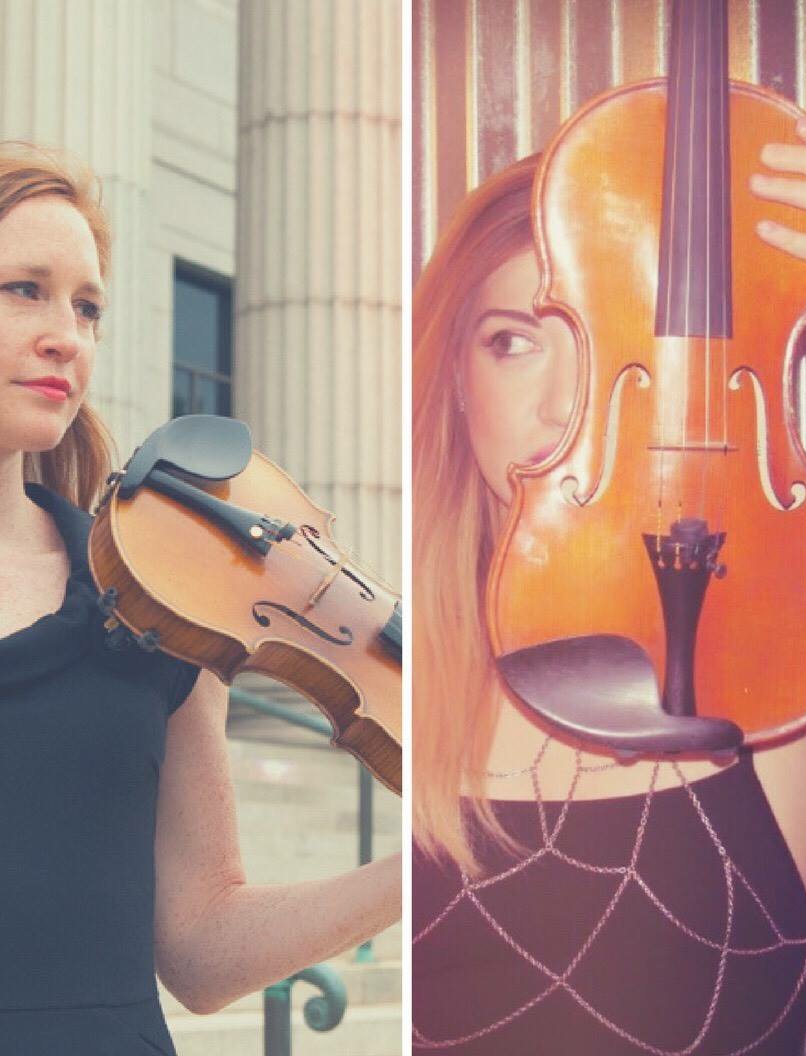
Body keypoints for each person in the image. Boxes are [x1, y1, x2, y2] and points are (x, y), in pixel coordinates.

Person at [413, 120, 806, 1055]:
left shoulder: (787, 678)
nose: (566, 407)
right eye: (514, 341)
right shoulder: (392, 674)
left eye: (610, 345)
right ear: (457, 383)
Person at [0, 141, 400, 1054]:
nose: (68, 332)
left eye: (88, 306)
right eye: (26, 288)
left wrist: (420, 872)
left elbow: (202, 947)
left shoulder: (157, 602)